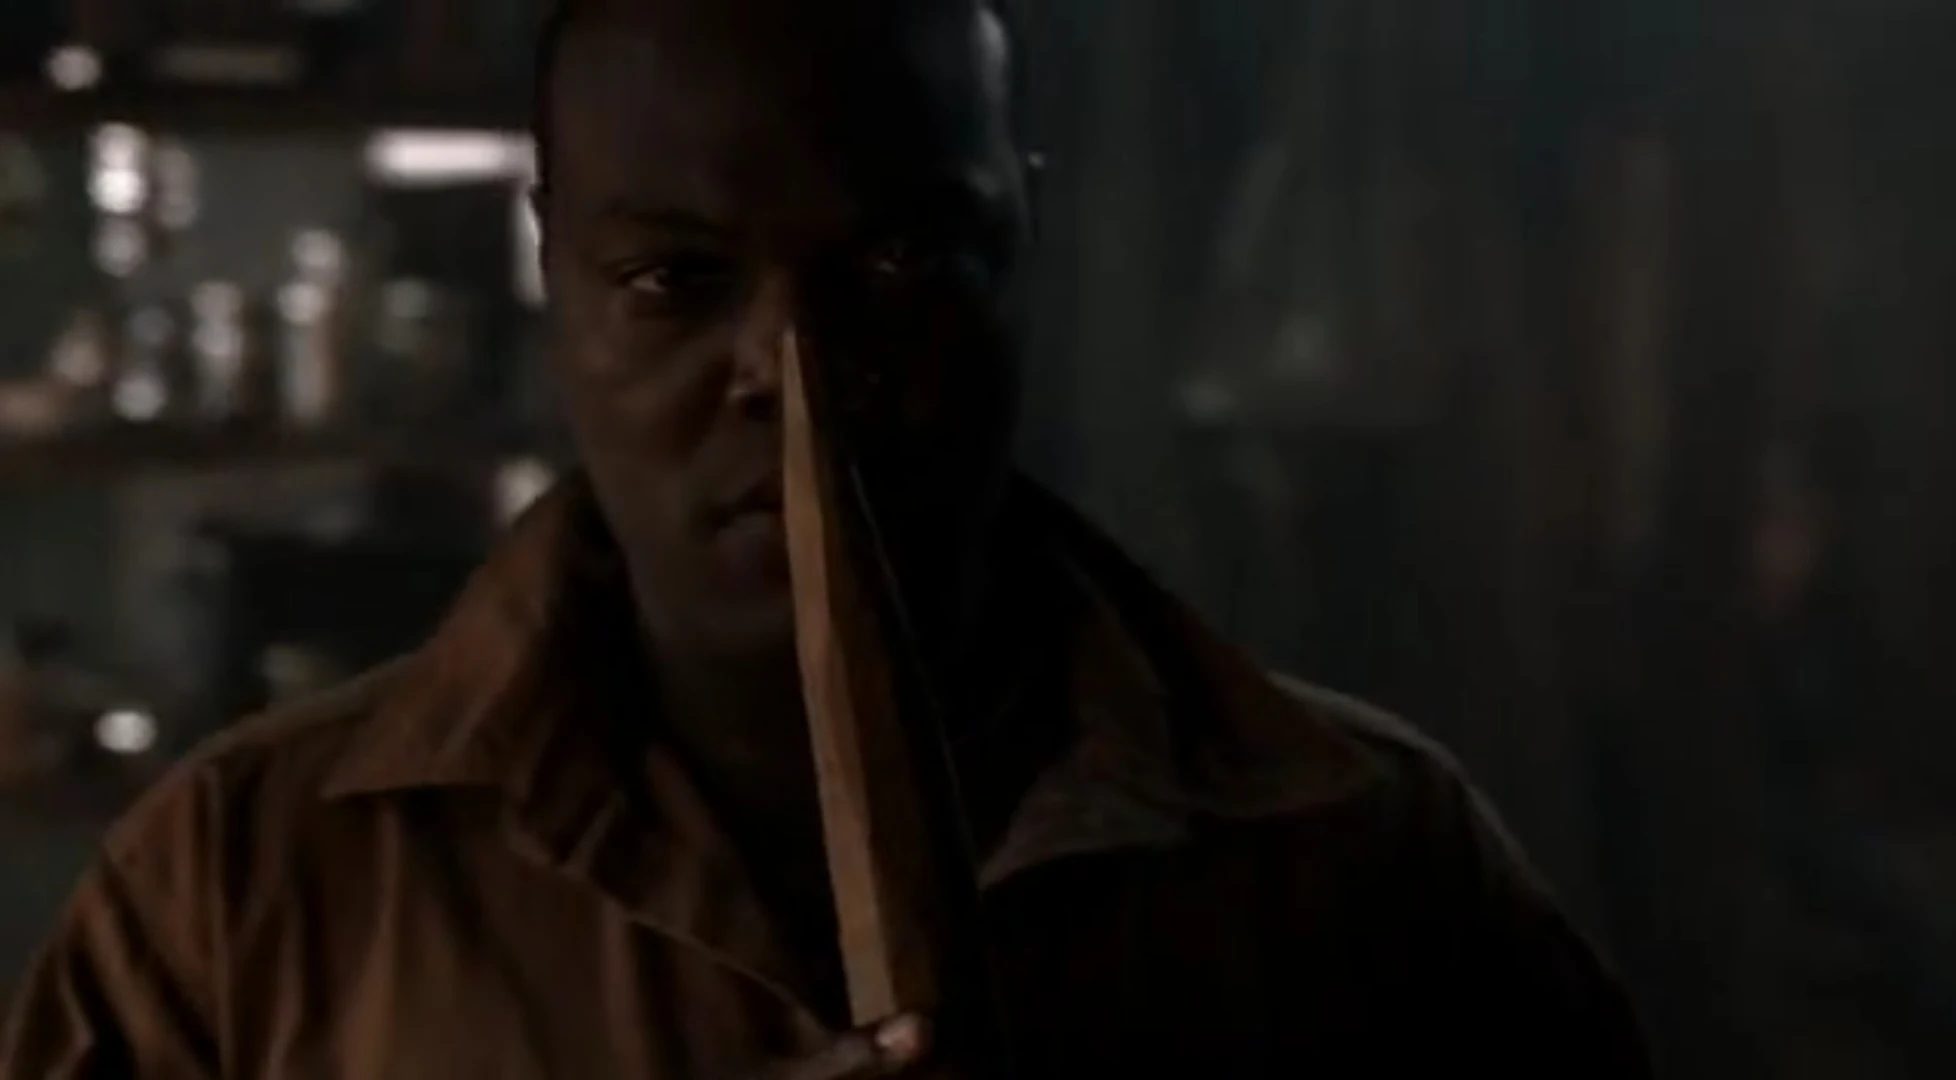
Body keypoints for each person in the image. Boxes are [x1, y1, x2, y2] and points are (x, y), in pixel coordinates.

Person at [0, 1, 1649, 1076]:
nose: (794, 373)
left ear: (1019, 243)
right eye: (676, 279)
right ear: (552, 276)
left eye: (899, 263)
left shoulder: (1370, 865)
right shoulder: (239, 899)